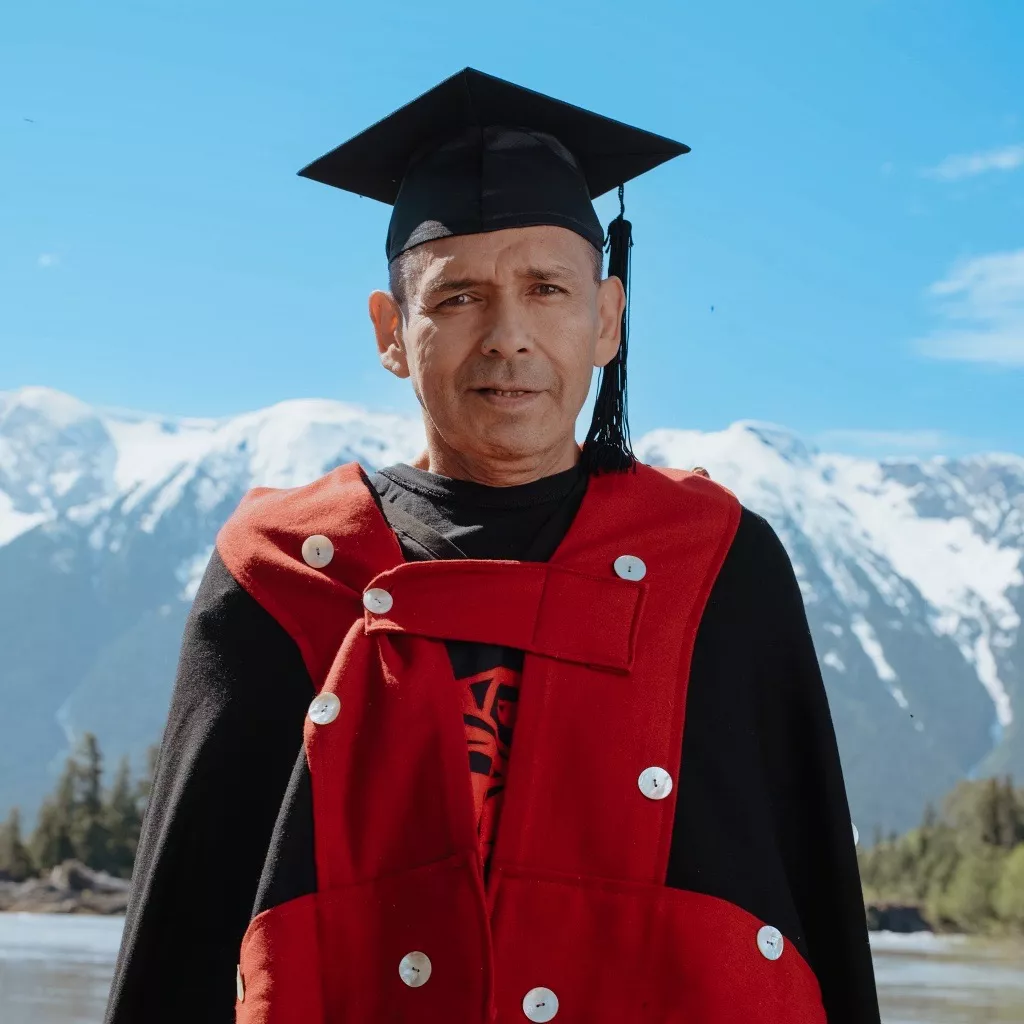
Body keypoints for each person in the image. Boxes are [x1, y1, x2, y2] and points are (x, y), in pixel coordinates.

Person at [104, 68, 879, 1024]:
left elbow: (809, 899)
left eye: (548, 289)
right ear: (392, 333)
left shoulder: (717, 562)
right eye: (458, 297)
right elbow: (187, 925)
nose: (508, 336)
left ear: (607, 319)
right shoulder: (280, 571)